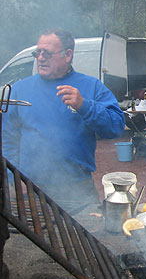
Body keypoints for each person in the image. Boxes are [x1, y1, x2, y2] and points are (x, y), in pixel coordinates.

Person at [2, 29, 125, 214]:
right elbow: (7, 139)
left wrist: (84, 106)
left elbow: (115, 126)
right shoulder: (19, 90)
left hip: (77, 189)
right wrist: (12, 178)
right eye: (38, 52)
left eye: (47, 53)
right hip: (30, 188)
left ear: (67, 55)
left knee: (85, 239)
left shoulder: (90, 87)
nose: (41, 58)